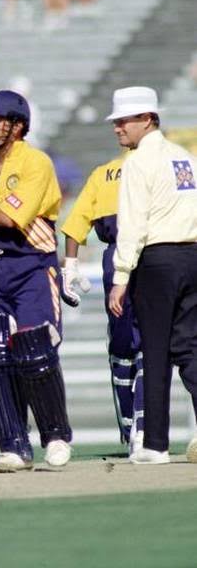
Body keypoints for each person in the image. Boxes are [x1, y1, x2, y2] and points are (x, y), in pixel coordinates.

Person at [0, 89, 72, 471]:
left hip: (31, 265)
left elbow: (8, 218)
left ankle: (55, 436)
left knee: (35, 351)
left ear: (17, 126)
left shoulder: (36, 163)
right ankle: (13, 445)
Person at [108, 86, 197, 465]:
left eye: (124, 120)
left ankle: (156, 445)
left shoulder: (138, 163)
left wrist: (121, 274)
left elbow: (133, 223)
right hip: (193, 256)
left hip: (157, 259)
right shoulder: (185, 158)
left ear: (147, 119)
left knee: (156, 350)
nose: (117, 128)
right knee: (191, 349)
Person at [61, 147, 144, 455]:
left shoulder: (103, 174)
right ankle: (144, 427)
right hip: (155, 255)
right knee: (150, 344)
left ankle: (131, 426)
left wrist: (70, 266)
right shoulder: (164, 165)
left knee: (123, 347)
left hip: (118, 258)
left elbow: (75, 224)